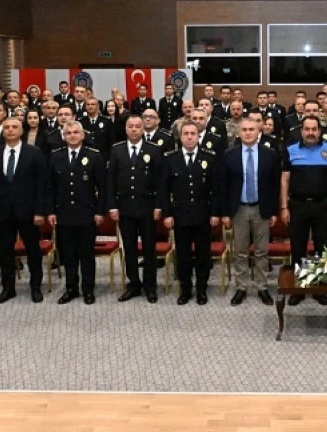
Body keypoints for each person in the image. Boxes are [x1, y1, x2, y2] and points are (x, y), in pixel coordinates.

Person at [0, 116, 49, 304]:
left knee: (33, 251)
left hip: (28, 212)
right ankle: (8, 288)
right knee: (5, 252)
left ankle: (35, 287)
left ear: (21, 131)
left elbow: (42, 185)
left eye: (14, 127)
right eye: (7, 127)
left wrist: (40, 211)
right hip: (3, 212)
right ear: (3, 131)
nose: (10, 130)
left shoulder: (34, 152)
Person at [279, 116, 327, 308]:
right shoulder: (291, 150)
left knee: (323, 249)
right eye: (307, 129)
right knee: (298, 248)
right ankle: (298, 289)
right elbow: (284, 180)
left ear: (320, 131)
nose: (311, 133)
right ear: (301, 131)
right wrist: (284, 207)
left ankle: (320, 288)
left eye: (314, 129)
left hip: (323, 205)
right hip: (297, 205)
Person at [221, 116, 281, 306]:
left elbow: (274, 185)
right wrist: (225, 213)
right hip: (238, 209)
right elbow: (223, 186)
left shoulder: (270, 154)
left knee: (262, 251)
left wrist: (273, 211)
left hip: (261, 209)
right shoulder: (229, 155)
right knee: (240, 252)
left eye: (251, 129)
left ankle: (262, 287)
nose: (248, 133)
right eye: (244, 130)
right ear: (239, 132)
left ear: (259, 132)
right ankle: (241, 287)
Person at [161, 121, 222, 306]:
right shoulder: (170, 159)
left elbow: (216, 189)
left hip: (203, 215)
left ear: (198, 136)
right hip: (180, 216)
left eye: (192, 133)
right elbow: (164, 190)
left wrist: (215, 213)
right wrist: (167, 214)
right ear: (180, 137)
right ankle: (185, 289)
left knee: (203, 255)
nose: (189, 137)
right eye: (185, 133)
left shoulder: (209, 157)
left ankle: (202, 289)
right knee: (183, 256)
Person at [48, 122, 105, 305]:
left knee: (87, 254)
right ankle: (71, 288)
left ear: (82, 135)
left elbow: (102, 187)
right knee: (69, 254)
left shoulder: (94, 156)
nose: (72, 136)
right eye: (68, 133)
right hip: (64, 213)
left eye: (75, 132)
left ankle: (88, 289)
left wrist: (99, 211)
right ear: (64, 136)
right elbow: (50, 187)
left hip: (87, 212)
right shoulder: (56, 156)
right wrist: (51, 211)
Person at [108, 115, 164, 302]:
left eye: (137, 126)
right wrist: (112, 207)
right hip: (125, 208)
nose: (134, 129)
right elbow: (111, 182)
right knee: (129, 248)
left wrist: (159, 205)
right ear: (125, 129)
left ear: (143, 129)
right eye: (130, 126)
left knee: (149, 249)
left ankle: (150, 286)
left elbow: (160, 181)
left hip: (148, 208)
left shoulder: (154, 149)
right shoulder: (116, 150)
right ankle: (133, 284)